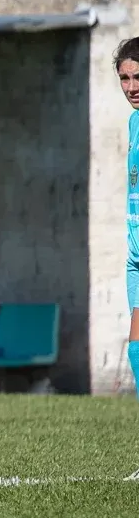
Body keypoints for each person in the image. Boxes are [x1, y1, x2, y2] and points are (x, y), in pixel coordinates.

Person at [122, 38, 139, 409]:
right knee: (136, 349)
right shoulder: (135, 122)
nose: (132, 87)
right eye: (124, 77)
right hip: (135, 254)